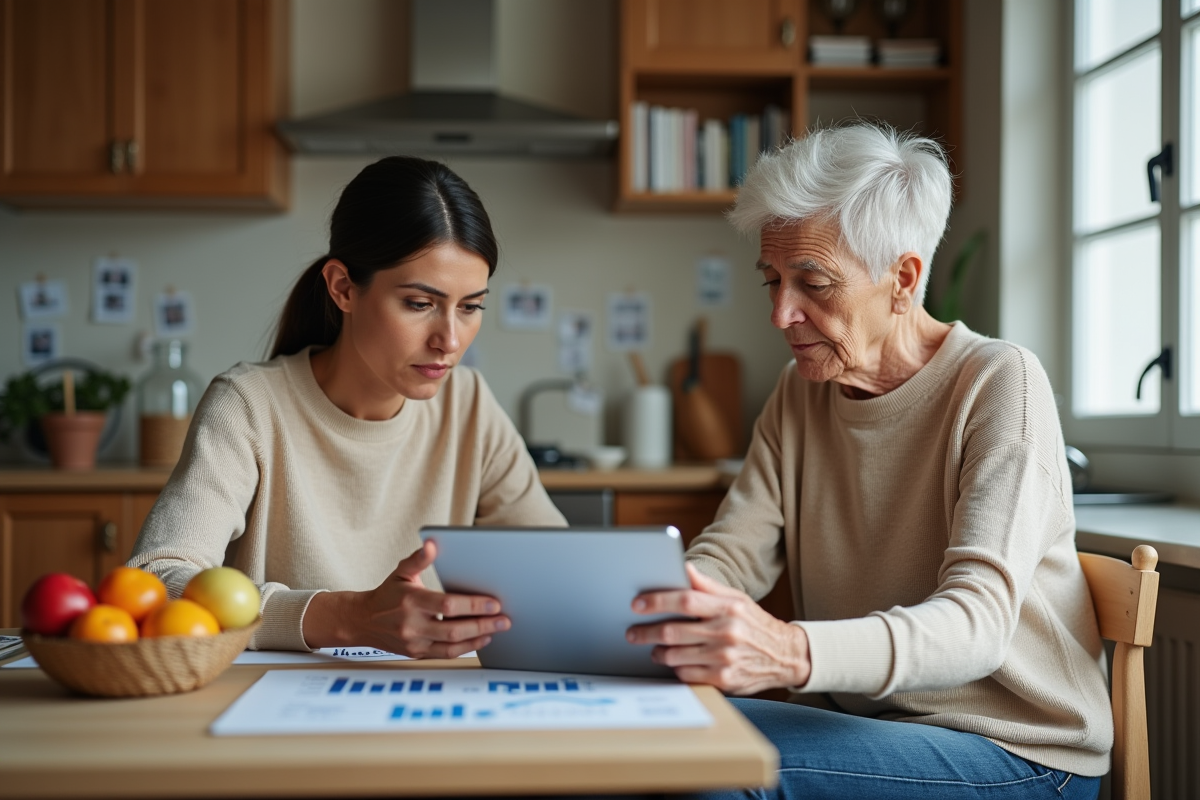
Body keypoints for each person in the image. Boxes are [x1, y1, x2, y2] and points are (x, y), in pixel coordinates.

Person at [628, 124, 1110, 800]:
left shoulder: (999, 383)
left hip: (1016, 750)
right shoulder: (801, 394)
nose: (780, 314)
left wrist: (792, 652)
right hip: (869, 726)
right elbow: (730, 559)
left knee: (712, 775)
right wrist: (645, 611)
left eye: (813, 284)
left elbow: (976, 626)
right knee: (624, 746)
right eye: (772, 281)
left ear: (903, 279)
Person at [130, 156, 566, 656]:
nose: (450, 339)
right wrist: (346, 617)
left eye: (470, 307)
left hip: (432, 700)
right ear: (343, 288)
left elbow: (556, 570)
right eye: (420, 304)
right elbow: (156, 581)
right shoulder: (248, 405)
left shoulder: (468, 406)